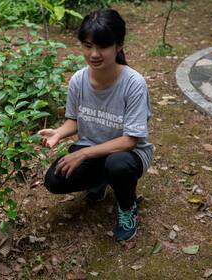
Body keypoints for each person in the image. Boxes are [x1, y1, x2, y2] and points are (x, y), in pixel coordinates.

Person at [38, 9, 153, 242]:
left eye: (103, 46)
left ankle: (127, 208)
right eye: (88, 46)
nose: (94, 54)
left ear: (119, 45)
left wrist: (84, 154)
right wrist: (59, 133)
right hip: (92, 149)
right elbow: (74, 120)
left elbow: (130, 140)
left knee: (117, 165)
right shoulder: (78, 80)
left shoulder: (133, 83)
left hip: (128, 154)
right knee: (54, 180)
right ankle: (100, 180)